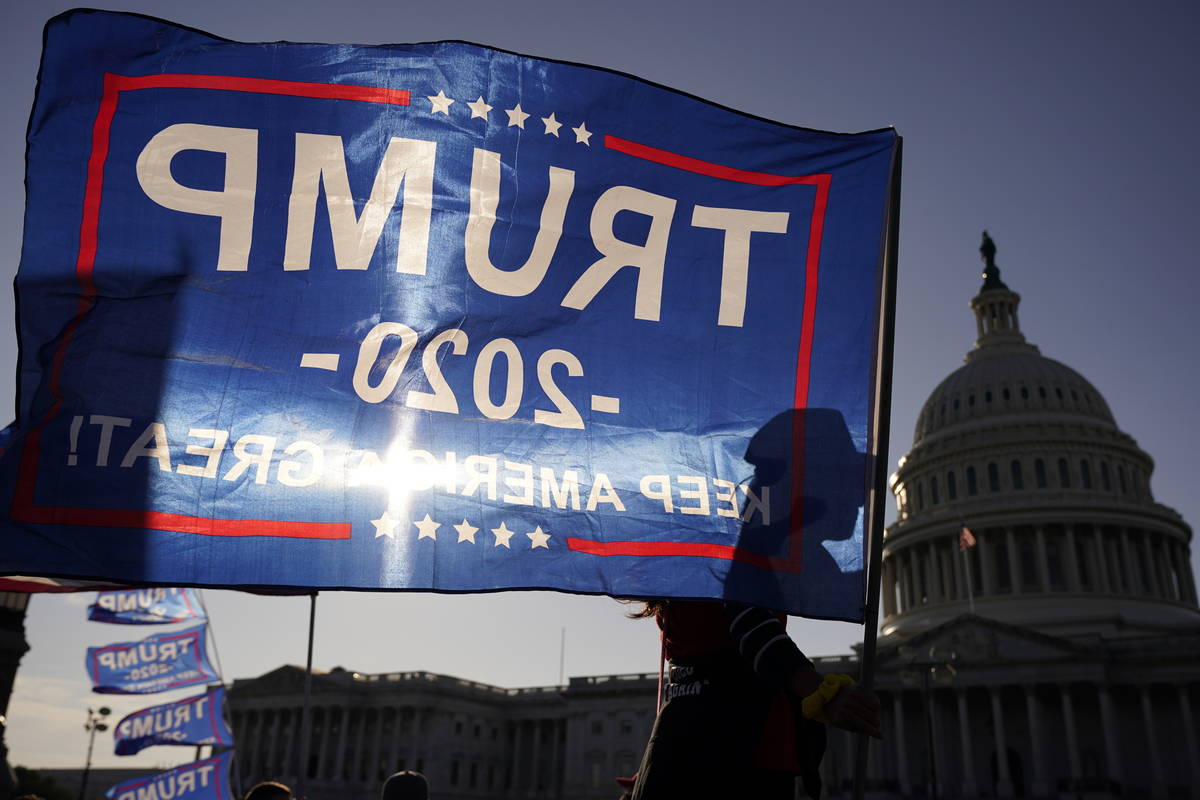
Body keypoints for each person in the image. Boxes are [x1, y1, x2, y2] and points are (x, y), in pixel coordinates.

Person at [629, 599, 881, 800]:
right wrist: (823, 691)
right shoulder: (724, 555)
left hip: (679, 742)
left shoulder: (681, 569)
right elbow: (751, 625)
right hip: (739, 745)